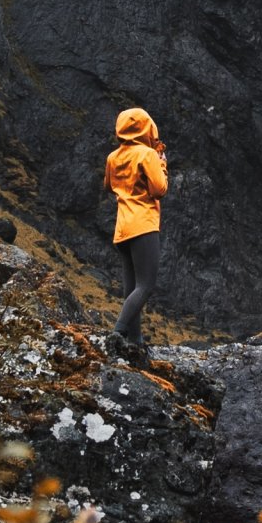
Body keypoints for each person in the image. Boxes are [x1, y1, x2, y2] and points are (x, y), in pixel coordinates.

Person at [102, 104, 168, 356]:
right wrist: (162, 165)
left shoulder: (113, 157)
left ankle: (135, 341)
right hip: (143, 225)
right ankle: (118, 333)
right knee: (146, 285)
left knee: (131, 288)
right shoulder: (148, 154)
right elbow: (159, 190)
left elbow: (109, 186)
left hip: (122, 228)